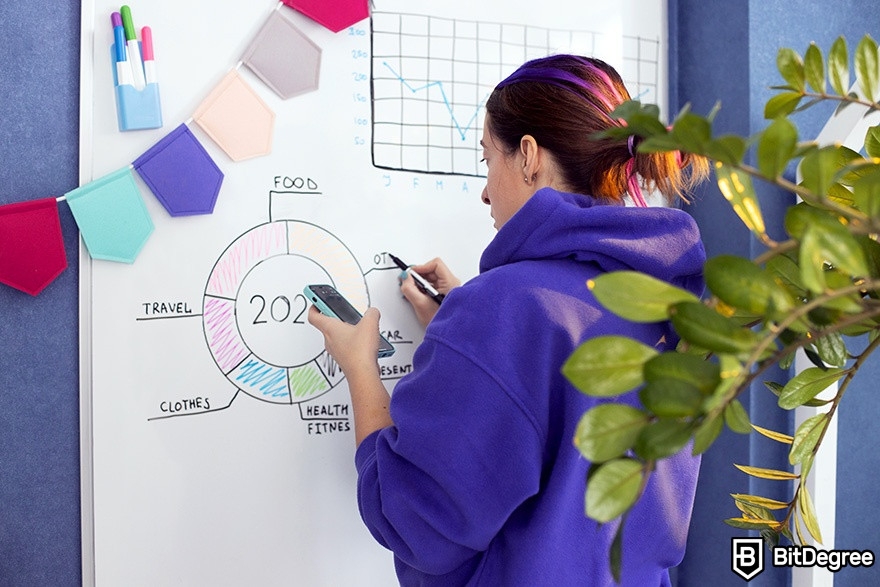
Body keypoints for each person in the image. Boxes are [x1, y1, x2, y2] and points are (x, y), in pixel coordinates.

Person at [308, 54, 709, 586]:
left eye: (486, 160)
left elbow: (413, 521)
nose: (484, 190)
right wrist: (468, 334)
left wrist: (361, 369)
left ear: (527, 156)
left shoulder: (506, 307)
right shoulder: (669, 307)